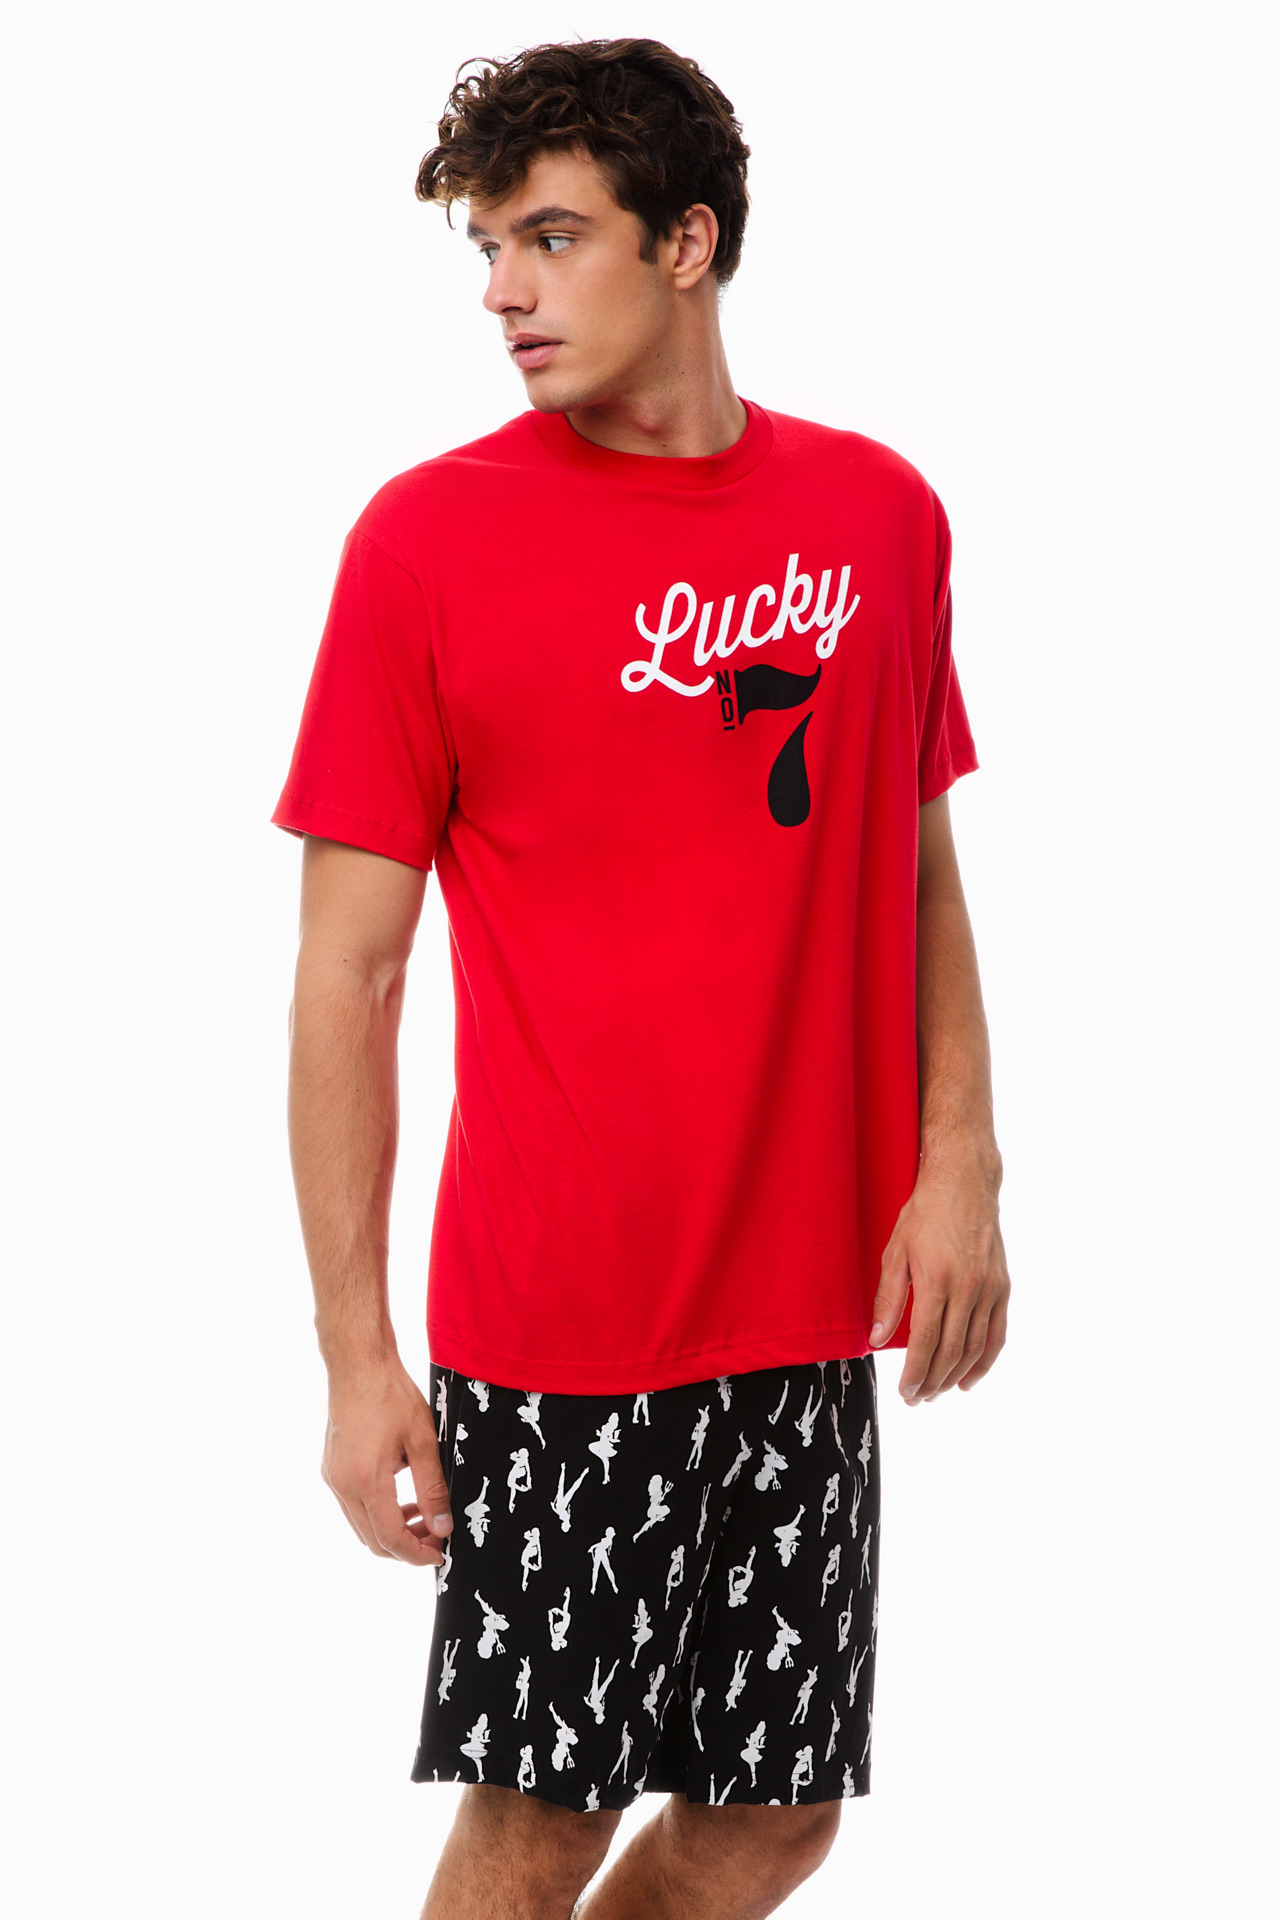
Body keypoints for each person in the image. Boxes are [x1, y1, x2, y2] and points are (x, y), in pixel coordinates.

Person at [272, 35, 1011, 1920]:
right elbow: (348, 977)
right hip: (561, 1326)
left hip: (805, 1303)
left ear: (688, 244)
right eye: (486, 248)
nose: (502, 292)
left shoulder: (879, 519)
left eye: (549, 237)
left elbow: (914, 867)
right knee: (537, 1826)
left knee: (775, 1816)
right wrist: (357, 1358)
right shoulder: (427, 544)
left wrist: (962, 1162)